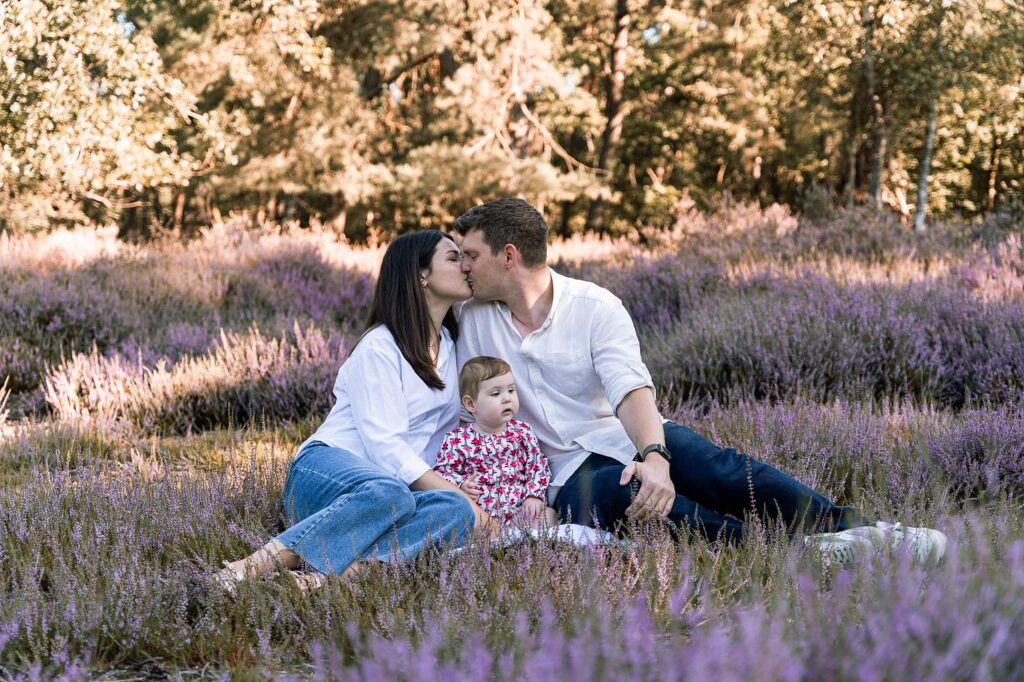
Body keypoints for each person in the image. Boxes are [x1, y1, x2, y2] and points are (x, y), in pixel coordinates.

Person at [451, 197, 946, 566]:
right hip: (558, 473)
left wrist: (654, 456)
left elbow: (629, 389)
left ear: (509, 255)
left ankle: (867, 531)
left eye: (470, 254)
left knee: (714, 468)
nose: (464, 266)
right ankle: (798, 552)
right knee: (627, 499)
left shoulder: (595, 306)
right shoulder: (470, 319)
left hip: (619, 434)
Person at [214, 230, 488, 591]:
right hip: (325, 472)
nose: (465, 266)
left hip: (393, 495)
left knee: (455, 511)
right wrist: (457, 491)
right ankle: (244, 570)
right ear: (421, 275)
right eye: (453, 258)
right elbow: (386, 448)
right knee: (392, 493)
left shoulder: (451, 346)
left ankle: (323, 581)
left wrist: (471, 493)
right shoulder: (380, 347)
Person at [433, 355, 554, 528]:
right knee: (462, 525)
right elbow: (442, 472)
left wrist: (533, 495)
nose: (507, 398)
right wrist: (461, 485)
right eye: (496, 393)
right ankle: (496, 541)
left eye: (511, 390)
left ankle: (524, 539)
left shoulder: (522, 432)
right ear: (471, 404)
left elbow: (537, 466)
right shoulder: (457, 440)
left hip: (520, 511)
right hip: (483, 516)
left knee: (548, 516)